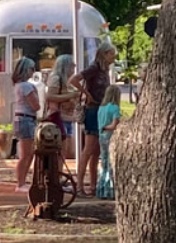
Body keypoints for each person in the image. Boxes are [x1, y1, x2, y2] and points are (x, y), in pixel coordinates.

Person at [69, 42, 117, 197]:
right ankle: (80, 185)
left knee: (96, 151)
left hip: (101, 109)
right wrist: (86, 94)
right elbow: (74, 79)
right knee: (89, 148)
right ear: (104, 54)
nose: (114, 57)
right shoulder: (94, 68)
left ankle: (94, 186)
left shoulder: (105, 70)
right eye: (111, 54)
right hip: (92, 109)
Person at [12, 57, 40, 193]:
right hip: (26, 119)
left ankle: (22, 181)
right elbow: (35, 105)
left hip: (22, 119)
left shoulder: (18, 85)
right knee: (26, 154)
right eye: (31, 69)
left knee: (28, 153)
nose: (33, 71)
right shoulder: (26, 86)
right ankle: (20, 183)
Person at [45, 54, 80, 159]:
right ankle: (56, 173)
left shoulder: (67, 80)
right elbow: (50, 96)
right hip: (58, 117)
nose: (74, 67)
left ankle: (59, 171)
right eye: (72, 65)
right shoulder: (56, 78)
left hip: (68, 117)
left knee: (65, 150)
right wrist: (71, 95)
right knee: (60, 150)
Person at [96, 85, 121, 199]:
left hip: (101, 136)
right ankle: (110, 190)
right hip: (110, 136)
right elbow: (114, 125)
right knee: (111, 164)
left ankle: (101, 189)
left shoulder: (101, 108)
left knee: (104, 163)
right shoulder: (115, 108)